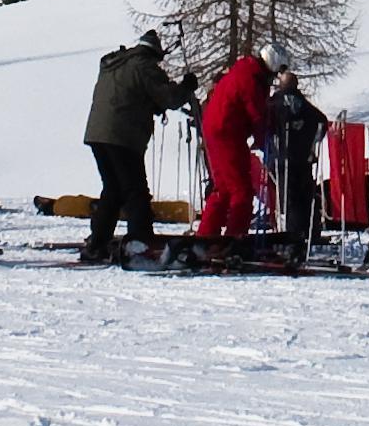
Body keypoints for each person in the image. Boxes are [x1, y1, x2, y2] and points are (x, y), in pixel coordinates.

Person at [82, 30, 191, 262]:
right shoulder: (144, 66)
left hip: (98, 133)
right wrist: (186, 87)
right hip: (122, 135)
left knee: (113, 189)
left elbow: (131, 94)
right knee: (135, 191)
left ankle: (98, 242)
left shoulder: (114, 63)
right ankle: (141, 241)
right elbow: (169, 98)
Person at [198, 49, 274, 243]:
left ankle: (206, 236)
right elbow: (256, 112)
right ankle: (235, 237)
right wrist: (264, 138)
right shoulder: (251, 79)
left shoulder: (244, 70)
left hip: (218, 129)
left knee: (223, 188)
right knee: (241, 189)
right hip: (228, 132)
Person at [270, 66, 329, 260]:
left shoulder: (275, 103)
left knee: (290, 199)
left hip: (284, 158)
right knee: (306, 196)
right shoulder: (303, 104)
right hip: (303, 159)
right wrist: (312, 141)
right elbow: (322, 121)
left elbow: (264, 122)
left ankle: (293, 237)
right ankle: (310, 231)